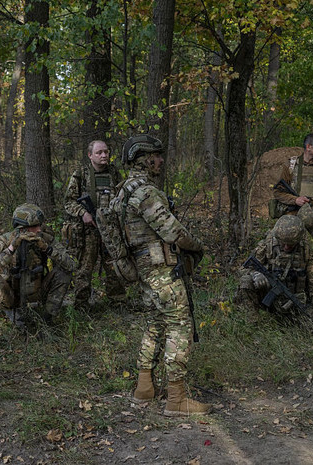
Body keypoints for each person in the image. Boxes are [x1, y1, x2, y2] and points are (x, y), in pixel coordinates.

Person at [113, 134, 210, 417]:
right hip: (161, 269)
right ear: (144, 159)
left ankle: (144, 389)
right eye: (156, 155)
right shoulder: (146, 193)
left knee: (154, 324)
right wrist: (197, 245)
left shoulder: (123, 191)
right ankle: (176, 399)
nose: (161, 160)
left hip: (144, 269)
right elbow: (173, 232)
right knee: (180, 325)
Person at [0, 203, 77, 363]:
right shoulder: (5, 240)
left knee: (63, 273)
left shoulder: (45, 238)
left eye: (39, 225)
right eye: (35, 226)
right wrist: (11, 248)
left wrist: (47, 249)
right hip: (12, 295)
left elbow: (71, 265)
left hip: (37, 289)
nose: (38, 230)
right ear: (22, 228)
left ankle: (47, 321)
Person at [63, 140, 126, 311]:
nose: (104, 155)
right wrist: (83, 213)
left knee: (114, 266)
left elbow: (123, 198)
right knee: (84, 268)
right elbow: (68, 202)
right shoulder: (80, 175)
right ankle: (81, 306)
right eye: (99, 152)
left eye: (106, 151)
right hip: (88, 231)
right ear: (90, 155)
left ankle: (117, 302)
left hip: (110, 230)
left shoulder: (114, 173)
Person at [272, 133, 313, 296]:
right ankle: (286, 286)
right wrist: (295, 200)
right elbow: (278, 192)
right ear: (308, 147)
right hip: (295, 216)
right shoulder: (291, 166)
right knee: (287, 248)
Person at [234, 215, 313, 326]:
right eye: (283, 243)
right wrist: (256, 274)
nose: (286, 247)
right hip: (268, 295)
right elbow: (243, 269)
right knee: (246, 281)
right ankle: (253, 323)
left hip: (293, 300)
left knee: (310, 326)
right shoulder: (266, 246)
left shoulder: (306, 252)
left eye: (290, 244)